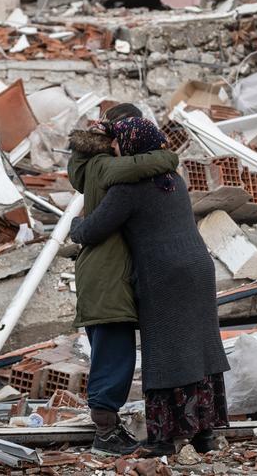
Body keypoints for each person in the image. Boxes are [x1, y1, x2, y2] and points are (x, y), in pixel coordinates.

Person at [70, 117, 230, 456]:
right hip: (200, 268)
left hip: (164, 274)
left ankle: (161, 440)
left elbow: (92, 231)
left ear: (130, 146)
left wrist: (75, 224)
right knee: (199, 349)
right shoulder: (175, 179)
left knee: (165, 354)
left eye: (117, 143)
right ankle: (204, 435)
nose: (113, 148)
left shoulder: (129, 189)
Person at [67, 105, 180, 456]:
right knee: (114, 358)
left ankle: (107, 429)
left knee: (111, 354)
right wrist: (168, 157)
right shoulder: (104, 168)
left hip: (105, 275)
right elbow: (143, 164)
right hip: (107, 277)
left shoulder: (88, 166)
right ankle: (105, 434)